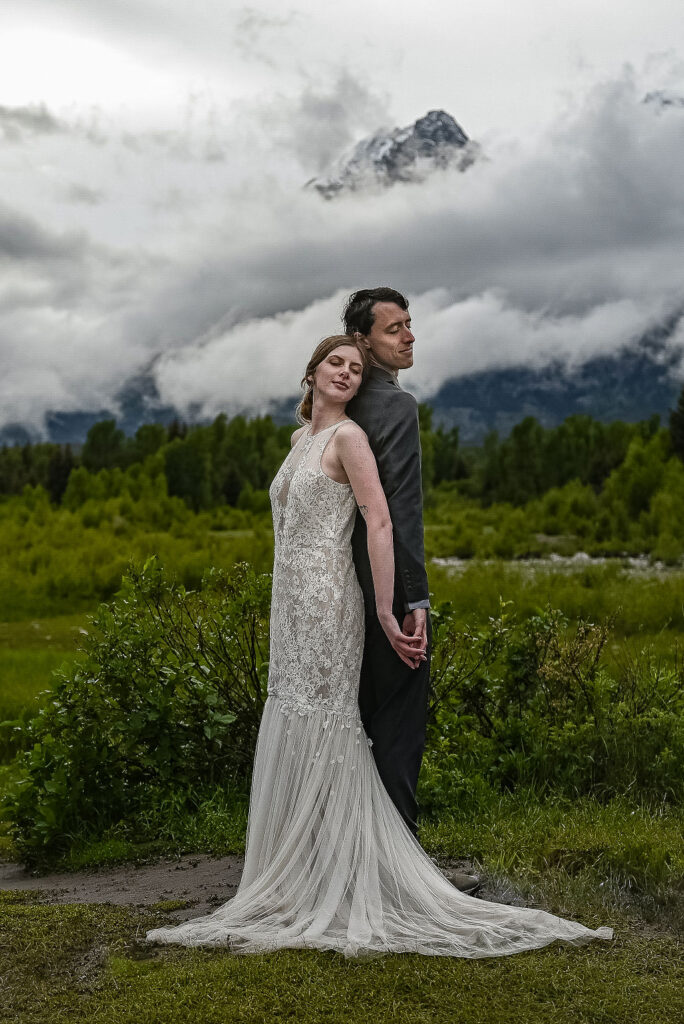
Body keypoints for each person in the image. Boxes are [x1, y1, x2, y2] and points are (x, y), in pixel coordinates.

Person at [146, 334, 612, 956]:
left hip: (329, 605)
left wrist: (388, 612)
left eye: (356, 369)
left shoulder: (349, 439)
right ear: (310, 373)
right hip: (289, 608)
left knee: (327, 725)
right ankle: (298, 872)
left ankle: (341, 875)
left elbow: (380, 521)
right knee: (293, 715)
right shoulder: (299, 441)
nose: (345, 372)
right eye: (335, 362)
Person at [342, 287, 477, 894]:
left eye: (410, 324)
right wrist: (414, 599)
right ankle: (403, 876)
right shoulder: (395, 409)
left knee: (357, 723)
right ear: (365, 343)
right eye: (394, 329)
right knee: (398, 728)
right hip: (388, 586)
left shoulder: (334, 410)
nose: (409, 336)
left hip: (336, 589)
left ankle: (351, 859)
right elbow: (399, 510)